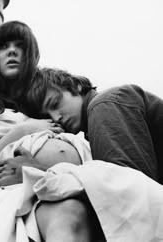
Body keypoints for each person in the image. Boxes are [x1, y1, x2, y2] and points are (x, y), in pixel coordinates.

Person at [0, 21, 95, 242]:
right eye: (4, 46)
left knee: (73, 215)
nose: (12, 51)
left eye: (20, 46)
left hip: (60, 182)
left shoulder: (42, 95)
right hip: (9, 190)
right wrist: (22, 132)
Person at [26, 67, 163, 185]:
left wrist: (35, 172)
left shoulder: (102, 105)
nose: (56, 118)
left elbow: (126, 186)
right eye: (48, 117)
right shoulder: (94, 125)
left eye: (55, 103)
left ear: (75, 86)